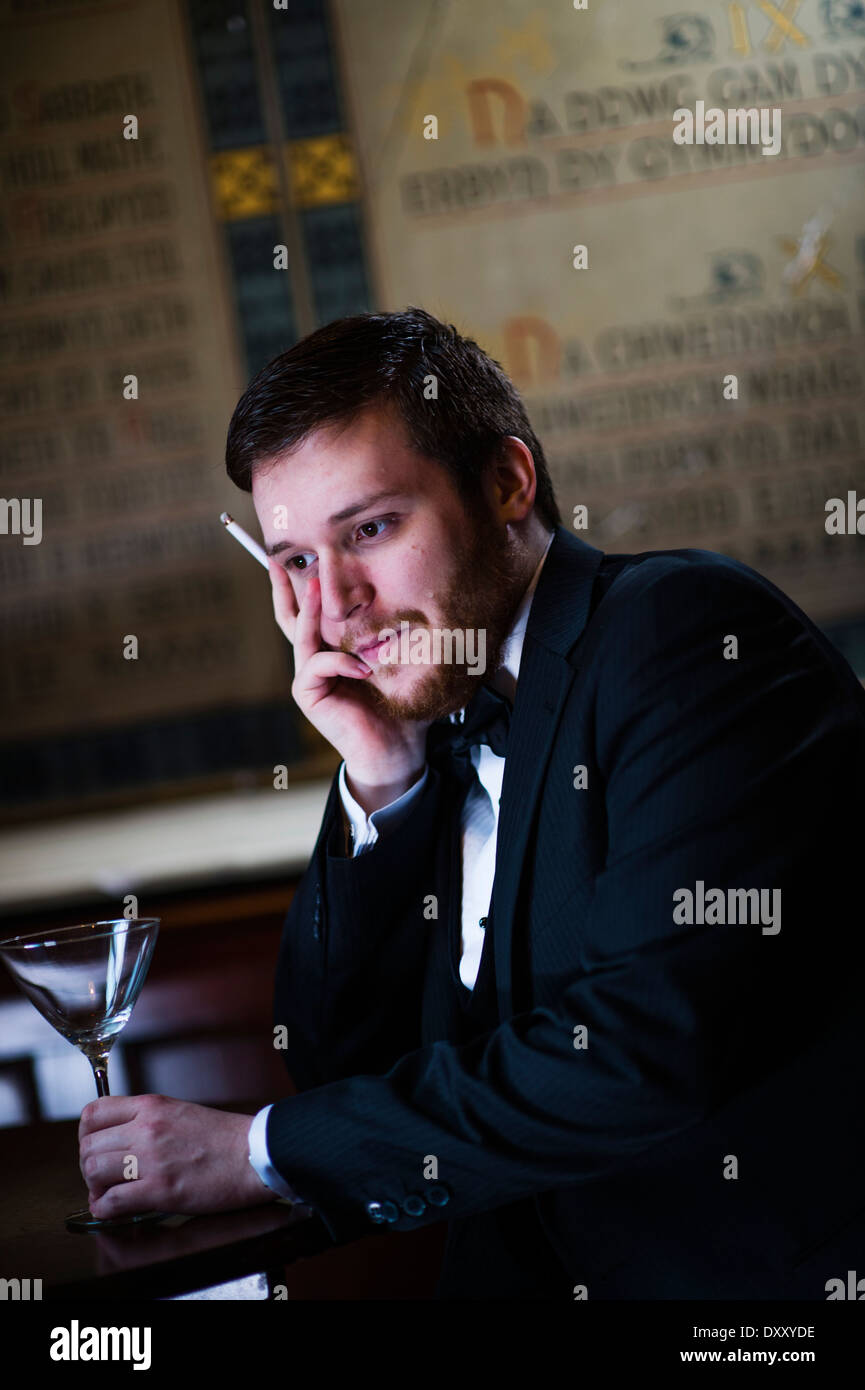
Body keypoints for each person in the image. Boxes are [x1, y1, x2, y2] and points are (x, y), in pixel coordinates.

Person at [79, 308, 865, 1300]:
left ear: (505, 482)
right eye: (295, 563)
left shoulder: (686, 636)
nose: (334, 606)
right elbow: (335, 1065)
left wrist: (263, 1152)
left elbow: (642, 1053)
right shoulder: (433, 716)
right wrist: (381, 781)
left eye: (368, 529)